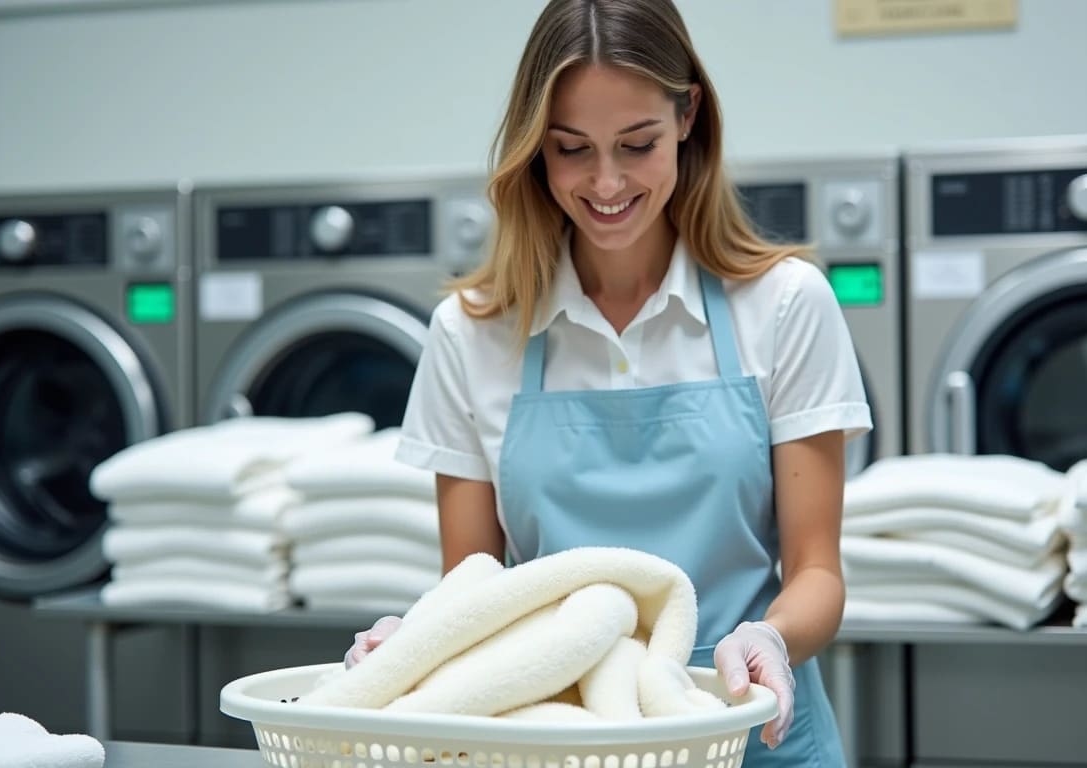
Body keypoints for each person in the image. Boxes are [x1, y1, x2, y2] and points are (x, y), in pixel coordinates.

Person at [344, 1, 871, 764]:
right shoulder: (472, 334)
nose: (607, 182)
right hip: (559, 740)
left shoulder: (786, 305)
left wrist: (770, 639)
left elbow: (817, 571)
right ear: (535, 148)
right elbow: (472, 587)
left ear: (688, 115)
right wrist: (414, 643)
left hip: (750, 728)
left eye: (637, 143)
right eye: (571, 149)